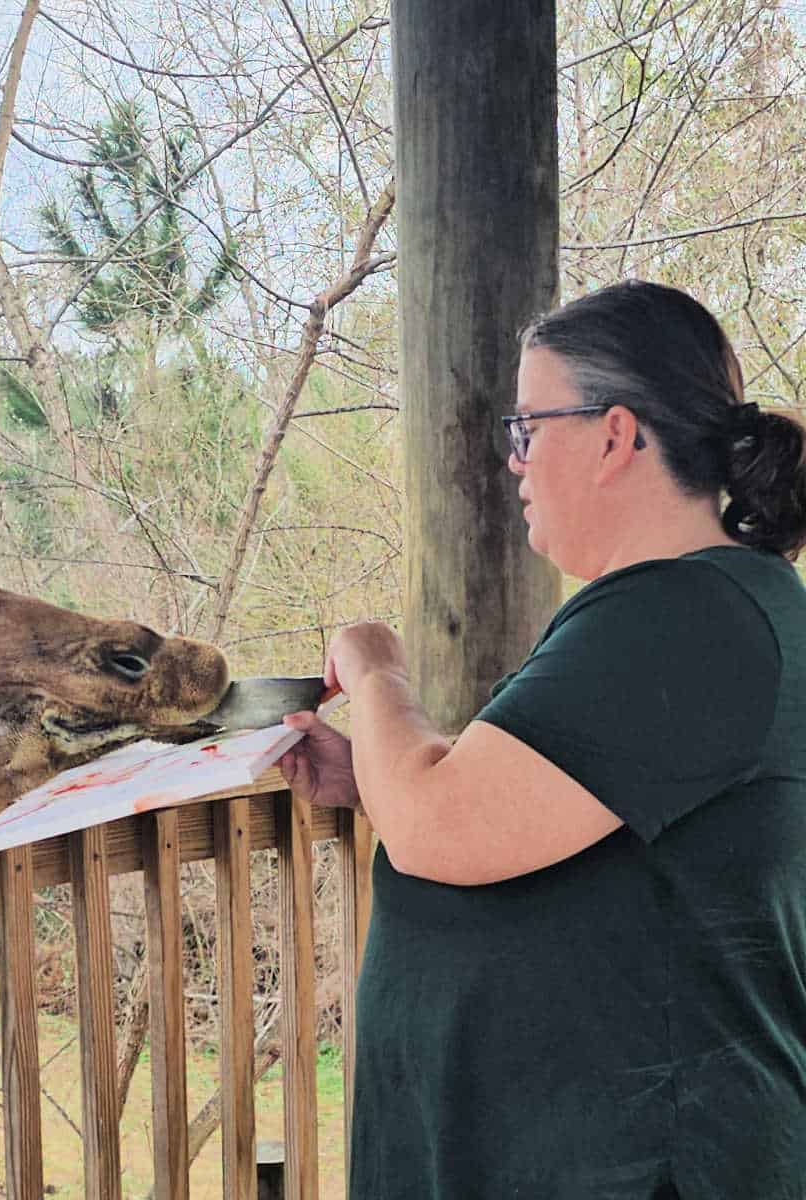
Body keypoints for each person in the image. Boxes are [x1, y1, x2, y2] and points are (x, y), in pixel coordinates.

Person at [278, 279, 806, 1199]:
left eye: (527, 427)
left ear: (614, 436)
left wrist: (376, 674)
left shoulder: (682, 616)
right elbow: (581, 807)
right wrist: (375, 776)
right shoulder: (706, 607)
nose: (513, 460)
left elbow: (441, 825)